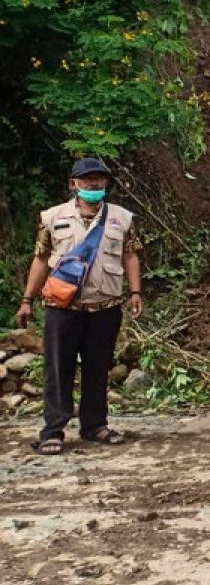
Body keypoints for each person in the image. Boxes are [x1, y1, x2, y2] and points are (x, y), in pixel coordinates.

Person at [16, 157, 144, 455]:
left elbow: (130, 256)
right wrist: (27, 300)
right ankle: (53, 430)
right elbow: (41, 258)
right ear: (74, 184)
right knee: (57, 369)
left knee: (98, 369)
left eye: (99, 180)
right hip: (62, 309)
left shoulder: (121, 218)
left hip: (105, 307)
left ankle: (95, 425)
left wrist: (136, 291)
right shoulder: (53, 217)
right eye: (87, 180)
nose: (93, 184)